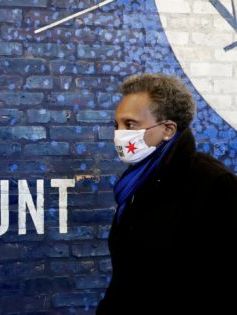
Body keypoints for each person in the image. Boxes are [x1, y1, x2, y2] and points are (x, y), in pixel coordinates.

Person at [95, 73, 237, 315]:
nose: (119, 135)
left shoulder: (214, 184)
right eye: (116, 125)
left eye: (130, 125)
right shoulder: (136, 183)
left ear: (168, 130)